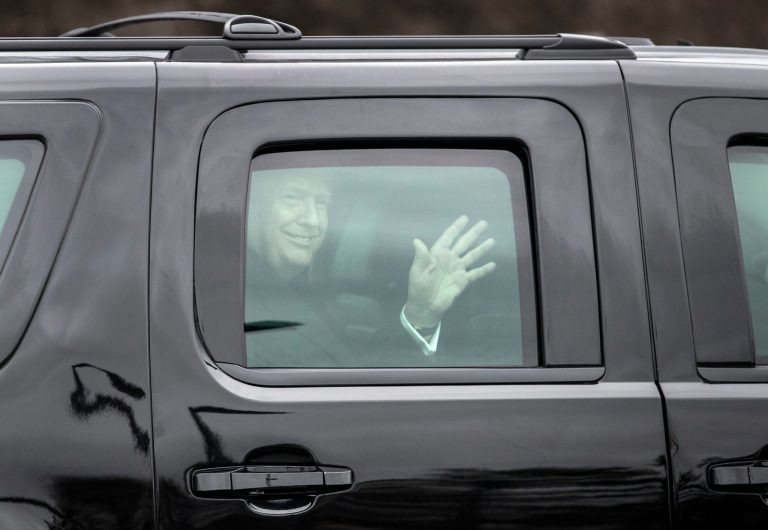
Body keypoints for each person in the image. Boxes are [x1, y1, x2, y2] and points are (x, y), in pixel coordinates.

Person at [244, 171, 496, 367]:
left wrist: (420, 313)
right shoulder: (235, 303)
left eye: (321, 203)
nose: (312, 219)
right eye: (292, 198)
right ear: (251, 205)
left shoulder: (297, 292)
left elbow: (355, 373)